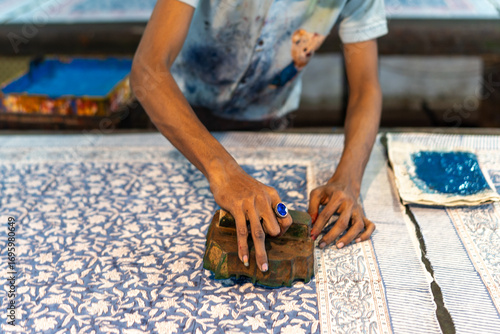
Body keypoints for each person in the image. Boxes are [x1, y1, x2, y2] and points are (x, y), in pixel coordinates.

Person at [130, 0, 387, 273]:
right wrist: (225, 172)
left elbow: (365, 88)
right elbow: (148, 71)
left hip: (270, 124)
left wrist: (348, 180)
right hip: (180, 122)